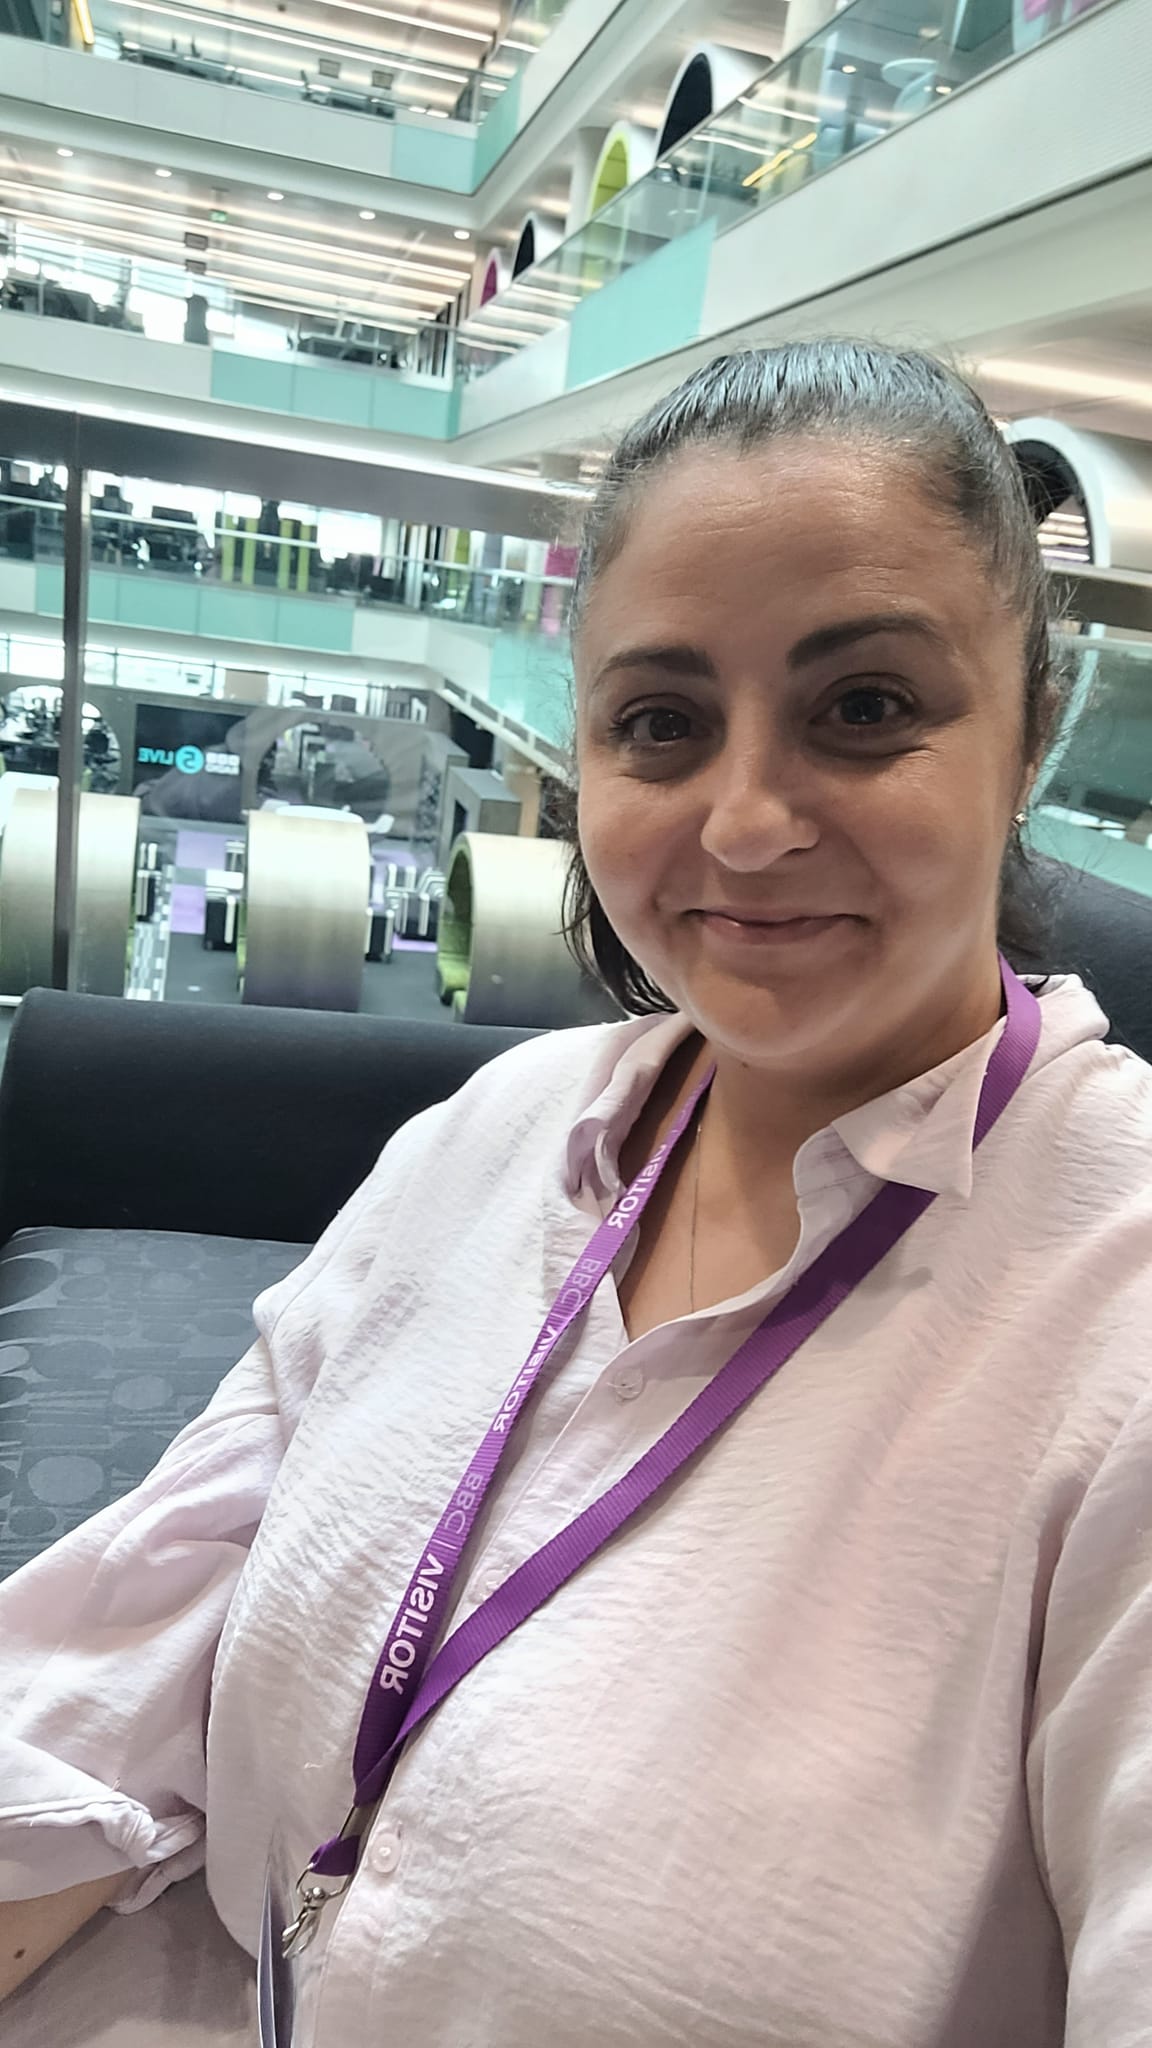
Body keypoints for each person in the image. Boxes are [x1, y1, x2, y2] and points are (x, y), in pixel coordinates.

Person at [2, 341, 1152, 2047]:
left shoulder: (1115, 1306)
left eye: (864, 709)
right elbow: (150, 1626)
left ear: (1033, 729)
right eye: (662, 723)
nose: (746, 824)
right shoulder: (501, 1131)